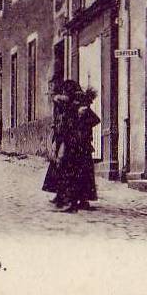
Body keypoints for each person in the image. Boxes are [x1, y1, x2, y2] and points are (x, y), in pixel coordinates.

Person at [61, 85, 100, 213]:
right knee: (81, 175)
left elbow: (95, 120)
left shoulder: (85, 113)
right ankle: (79, 201)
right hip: (77, 148)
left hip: (81, 148)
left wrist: (84, 116)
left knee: (78, 175)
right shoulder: (73, 111)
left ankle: (77, 203)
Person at [42, 78, 75, 208]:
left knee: (63, 166)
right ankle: (60, 195)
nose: (50, 90)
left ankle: (65, 197)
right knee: (57, 167)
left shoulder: (65, 102)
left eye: (51, 87)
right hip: (60, 136)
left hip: (67, 138)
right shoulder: (58, 103)